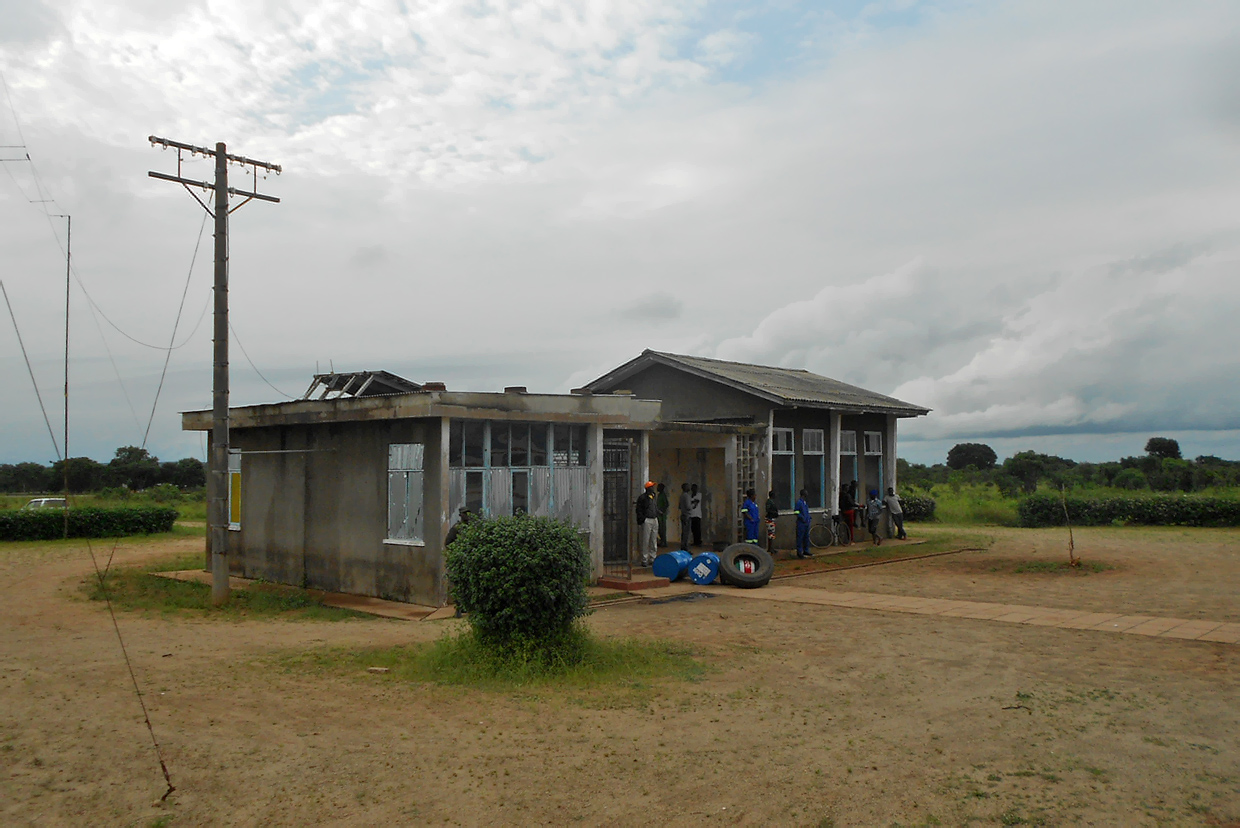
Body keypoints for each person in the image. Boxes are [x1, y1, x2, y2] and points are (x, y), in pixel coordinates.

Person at [635, 481, 660, 566]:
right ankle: (644, 559)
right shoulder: (642, 498)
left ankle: (653, 557)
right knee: (645, 540)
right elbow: (639, 510)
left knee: (653, 540)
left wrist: (657, 512)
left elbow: (654, 507)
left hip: (654, 519)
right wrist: (643, 519)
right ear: (647, 488)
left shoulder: (653, 496)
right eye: (651, 487)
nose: (653, 488)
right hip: (647, 520)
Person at [795, 489, 812, 558]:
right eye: (806, 493)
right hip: (801, 523)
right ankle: (799, 552)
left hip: (806, 523)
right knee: (800, 537)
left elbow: (806, 512)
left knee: (806, 537)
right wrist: (802, 517)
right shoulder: (799, 502)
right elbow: (796, 512)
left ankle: (806, 550)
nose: (807, 494)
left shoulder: (805, 503)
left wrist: (808, 518)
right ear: (803, 494)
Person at [677, 483, 693, 551]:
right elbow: (688, 507)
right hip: (687, 515)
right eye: (688, 487)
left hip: (683, 514)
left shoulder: (681, 495)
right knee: (687, 532)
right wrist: (693, 505)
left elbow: (680, 506)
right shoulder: (687, 496)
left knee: (684, 532)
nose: (689, 488)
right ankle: (685, 547)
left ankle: (683, 546)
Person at [764, 490, 779, 555]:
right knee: (771, 534)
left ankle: (771, 548)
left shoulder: (771, 501)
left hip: (772, 519)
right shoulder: (769, 502)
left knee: (772, 533)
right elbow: (768, 510)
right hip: (769, 519)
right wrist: (774, 513)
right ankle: (770, 548)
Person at [656, 483, 670, 547]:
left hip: (661, 515)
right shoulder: (659, 495)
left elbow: (666, 504)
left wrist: (662, 511)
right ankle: (662, 541)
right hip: (658, 514)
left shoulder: (663, 495)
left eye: (658, 487)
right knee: (659, 529)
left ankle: (664, 542)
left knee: (662, 529)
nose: (657, 488)